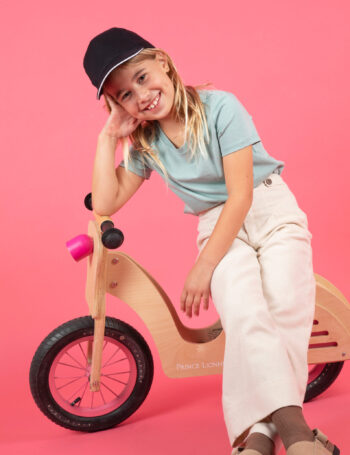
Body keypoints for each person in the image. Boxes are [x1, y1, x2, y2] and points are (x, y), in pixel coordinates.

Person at [82, 28, 340, 455]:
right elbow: (105, 202)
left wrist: (203, 267)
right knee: (243, 309)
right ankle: (295, 436)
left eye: (142, 78)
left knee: (286, 306)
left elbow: (242, 195)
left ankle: (258, 435)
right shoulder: (146, 144)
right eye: (124, 95)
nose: (140, 96)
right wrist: (108, 137)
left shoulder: (220, 107)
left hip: (268, 206)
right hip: (217, 225)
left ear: (162, 62)